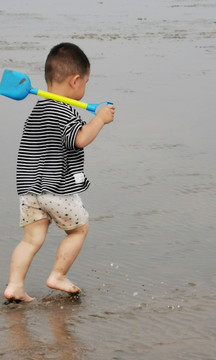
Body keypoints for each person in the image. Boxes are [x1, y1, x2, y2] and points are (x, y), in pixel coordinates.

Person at [4, 43, 115, 302]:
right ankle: (57, 275)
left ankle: (15, 286)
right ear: (76, 81)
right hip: (57, 190)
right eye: (86, 82)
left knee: (31, 241)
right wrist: (98, 119)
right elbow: (79, 139)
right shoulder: (65, 112)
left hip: (29, 191)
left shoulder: (38, 110)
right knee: (79, 230)